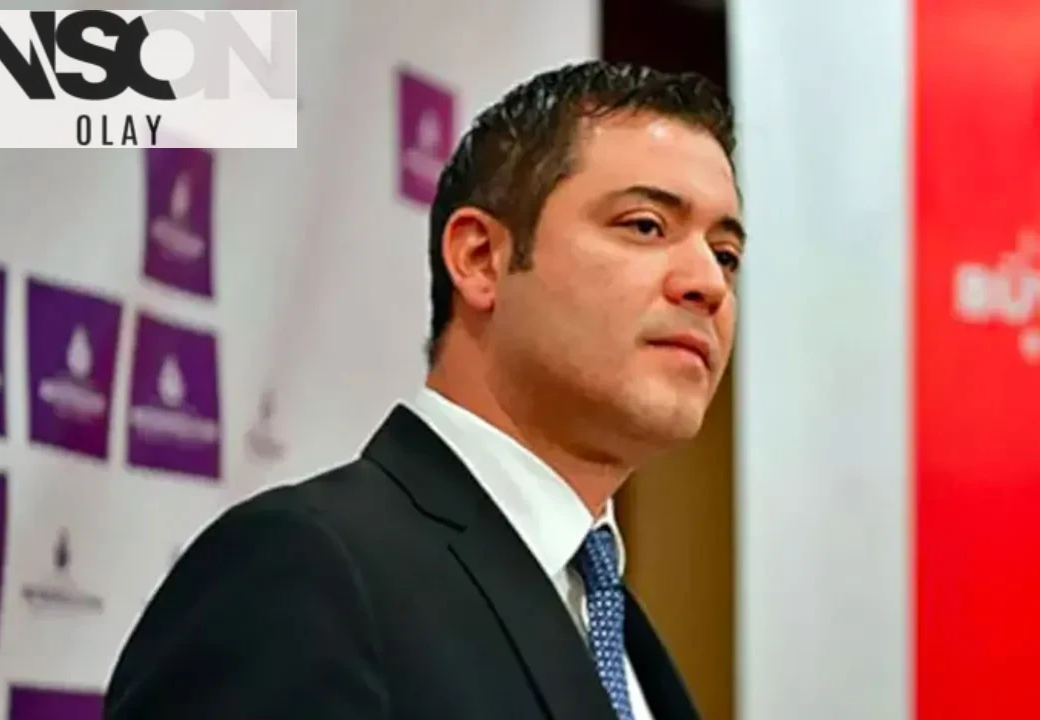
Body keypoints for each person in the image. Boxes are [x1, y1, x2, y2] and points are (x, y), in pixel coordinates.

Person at [104, 59, 742, 720]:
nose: (708, 283)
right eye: (645, 225)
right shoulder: (304, 569)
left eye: (726, 256)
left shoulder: (612, 622)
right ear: (480, 258)